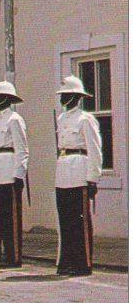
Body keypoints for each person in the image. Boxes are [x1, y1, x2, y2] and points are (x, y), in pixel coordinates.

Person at [55, 75, 102, 277]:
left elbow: (95, 150)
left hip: (79, 170)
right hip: (63, 171)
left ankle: (82, 262)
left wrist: (93, 178)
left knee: (79, 222)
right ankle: (66, 261)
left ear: (75, 97)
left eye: (66, 94)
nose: (62, 98)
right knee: (65, 220)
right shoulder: (61, 119)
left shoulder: (85, 119)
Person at [0, 81, 28, 269]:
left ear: (8, 98)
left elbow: (22, 149)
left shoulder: (15, 119)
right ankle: (2, 251)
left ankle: (13, 256)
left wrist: (19, 174)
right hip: (0, 168)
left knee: (11, 216)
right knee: (2, 216)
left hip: (11, 167)